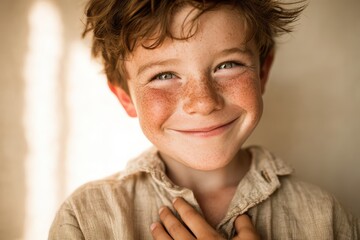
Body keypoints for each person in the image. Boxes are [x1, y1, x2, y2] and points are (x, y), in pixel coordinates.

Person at [49, 0, 359, 239]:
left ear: (262, 72)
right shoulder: (85, 219)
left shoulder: (325, 217)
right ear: (126, 98)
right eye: (164, 75)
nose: (204, 102)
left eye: (227, 65)